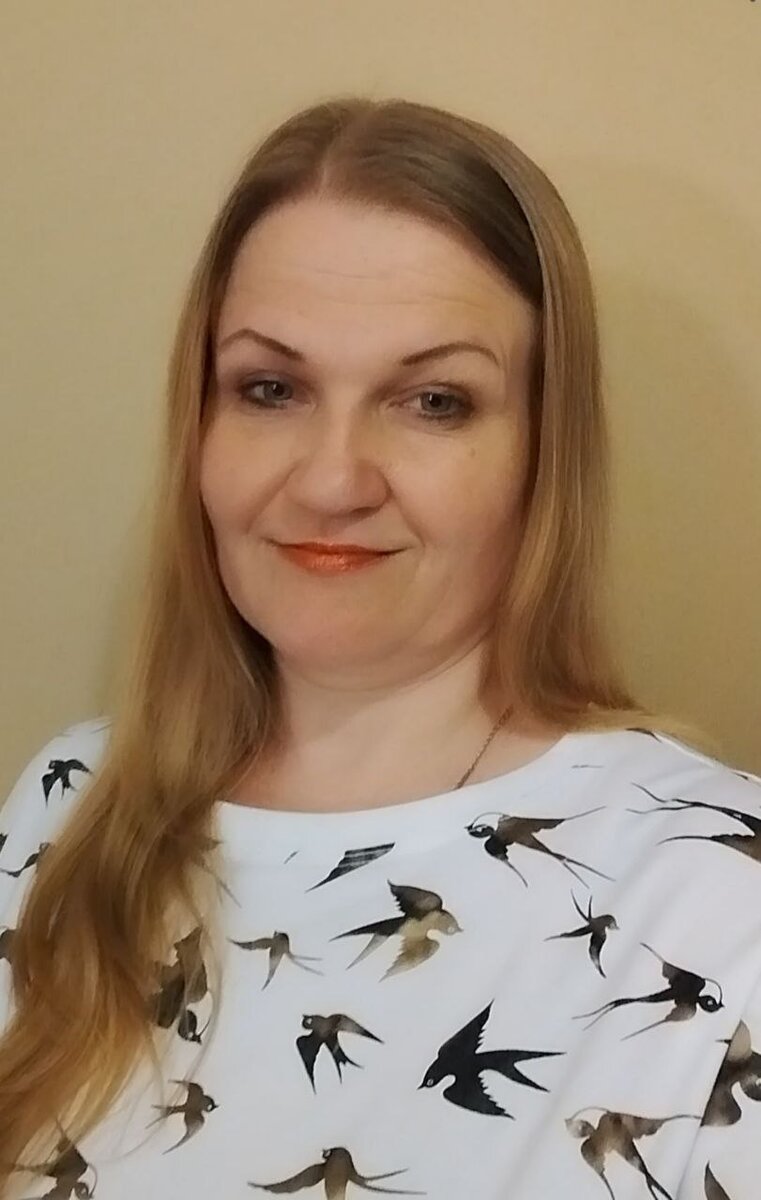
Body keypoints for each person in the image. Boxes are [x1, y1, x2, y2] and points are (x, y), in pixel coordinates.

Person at [0, 96, 758, 1200]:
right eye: (270, 389)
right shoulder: (68, 806)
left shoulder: (714, 900)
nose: (330, 480)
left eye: (433, 401)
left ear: (541, 451)